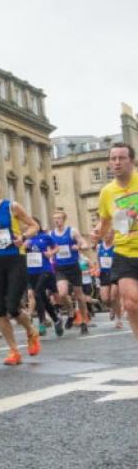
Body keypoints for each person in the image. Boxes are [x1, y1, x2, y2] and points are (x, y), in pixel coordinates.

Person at [0, 175, 41, 365]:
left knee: (13, 307)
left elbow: (34, 225)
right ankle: (13, 351)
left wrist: (24, 237)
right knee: (0, 310)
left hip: (15, 259)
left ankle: (31, 331)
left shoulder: (11, 207)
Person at [94, 142, 138, 340]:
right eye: (113, 158)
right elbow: (105, 222)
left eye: (122, 158)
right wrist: (98, 233)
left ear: (132, 161)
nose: (117, 162)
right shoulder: (107, 192)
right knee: (130, 303)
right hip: (124, 252)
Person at [50, 210, 93, 335]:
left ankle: (84, 321)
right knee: (62, 294)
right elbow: (47, 248)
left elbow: (85, 244)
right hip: (60, 267)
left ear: (64, 219)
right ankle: (71, 312)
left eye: (59, 218)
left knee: (79, 296)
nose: (57, 220)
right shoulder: (51, 234)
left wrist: (79, 247)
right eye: (55, 218)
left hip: (73, 266)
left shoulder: (72, 231)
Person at [24, 217, 63, 337]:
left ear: (37, 226)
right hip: (31, 272)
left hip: (45, 270)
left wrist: (51, 253)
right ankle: (56, 319)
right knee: (40, 296)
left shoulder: (44, 237)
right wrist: (22, 246)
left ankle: (41, 322)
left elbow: (57, 247)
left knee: (37, 293)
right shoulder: (25, 238)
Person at [96, 230, 122, 329]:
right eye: (105, 234)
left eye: (108, 234)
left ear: (112, 235)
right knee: (105, 298)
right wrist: (98, 268)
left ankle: (119, 320)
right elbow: (98, 258)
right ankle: (112, 308)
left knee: (114, 297)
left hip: (115, 273)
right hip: (104, 273)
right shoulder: (99, 246)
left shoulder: (116, 246)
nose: (106, 236)